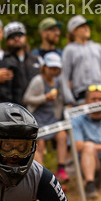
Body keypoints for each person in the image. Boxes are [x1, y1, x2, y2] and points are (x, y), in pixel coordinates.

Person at [22, 52, 68, 181]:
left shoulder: (58, 81)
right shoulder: (38, 81)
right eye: (51, 68)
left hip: (52, 117)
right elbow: (26, 99)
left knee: (62, 136)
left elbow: (61, 99)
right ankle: (43, 177)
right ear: (44, 67)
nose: (54, 71)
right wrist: (44, 98)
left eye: (56, 69)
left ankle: (61, 169)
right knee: (39, 145)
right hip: (37, 118)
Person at [5, 21, 42, 108]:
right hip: (14, 110)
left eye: (19, 35)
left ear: (25, 37)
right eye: (12, 36)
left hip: (37, 109)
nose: (16, 38)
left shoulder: (37, 59)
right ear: (7, 41)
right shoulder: (3, 61)